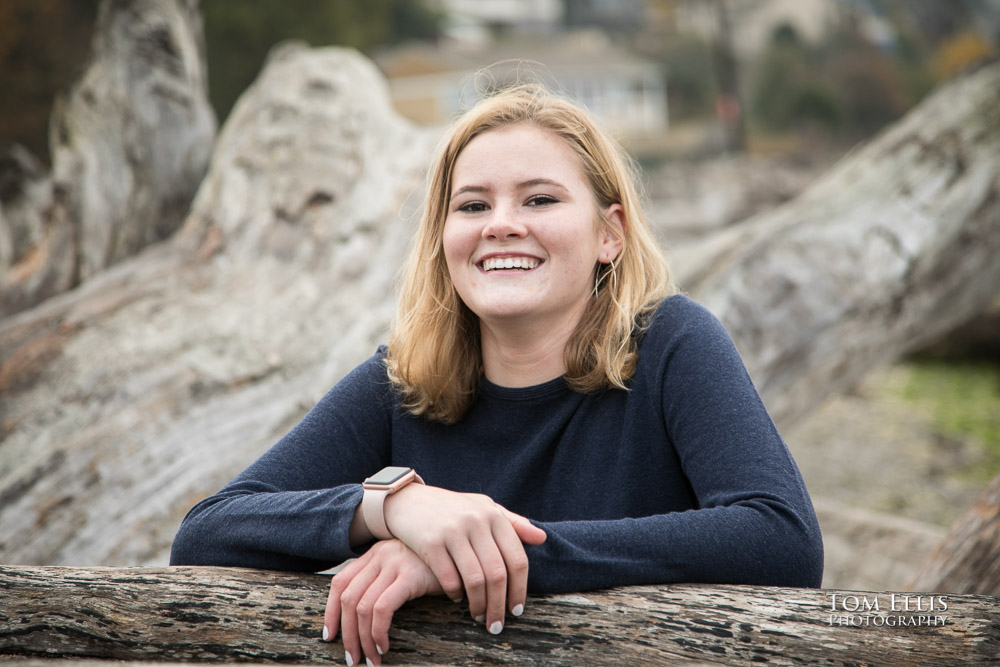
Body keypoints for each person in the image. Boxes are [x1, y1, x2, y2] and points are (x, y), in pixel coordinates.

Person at [170, 83, 823, 667]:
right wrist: (398, 508)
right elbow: (206, 534)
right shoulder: (401, 381)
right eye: (473, 206)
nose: (502, 224)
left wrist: (474, 559)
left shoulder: (671, 344)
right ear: (444, 236)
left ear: (610, 233)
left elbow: (781, 537)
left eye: (540, 198)